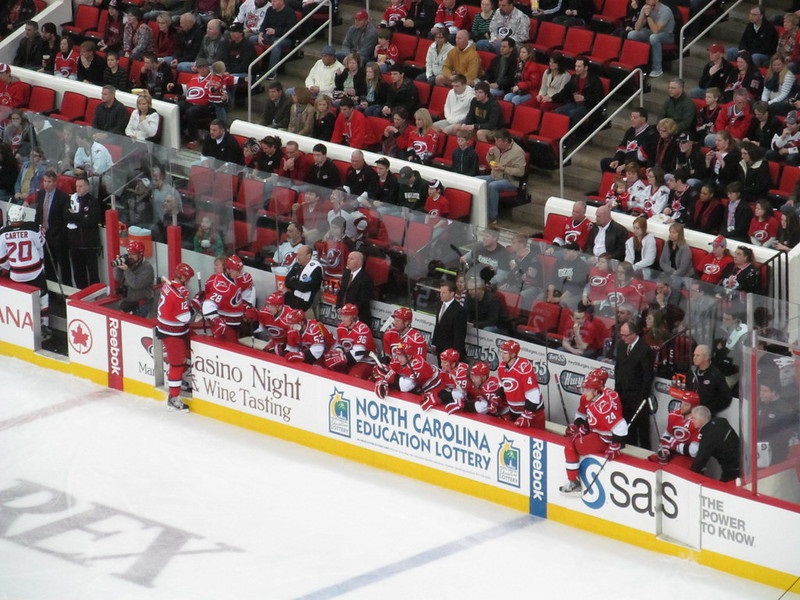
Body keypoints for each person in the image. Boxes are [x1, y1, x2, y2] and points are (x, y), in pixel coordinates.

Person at [559, 369, 628, 495]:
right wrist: (580, 425)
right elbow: (583, 414)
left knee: (570, 447)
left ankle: (574, 482)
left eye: (587, 389)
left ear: (596, 390)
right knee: (573, 439)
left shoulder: (602, 407)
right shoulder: (600, 396)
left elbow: (621, 426)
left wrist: (615, 444)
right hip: (598, 432)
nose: (584, 392)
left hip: (602, 438)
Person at [0, 205, 50, 339]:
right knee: (43, 296)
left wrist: (11, 268)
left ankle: (23, 327)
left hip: (16, 274)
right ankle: (44, 325)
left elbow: (1, 258)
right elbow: (41, 244)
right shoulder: (33, 228)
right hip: (34, 271)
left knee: (22, 299)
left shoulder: (3, 232)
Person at [156, 263, 195, 411]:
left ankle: (179, 382)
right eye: (188, 278)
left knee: (183, 358)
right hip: (173, 332)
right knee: (177, 364)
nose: (189, 281)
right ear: (183, 277)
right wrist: (193, 307)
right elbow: (185, 317)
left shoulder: (169, 286)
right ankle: (173, 398)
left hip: (167, 328)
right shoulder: (179, 293)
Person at [615, 320, 655, 449]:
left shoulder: (645, 350)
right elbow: (618, 367)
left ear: (634, 333)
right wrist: (618, 389)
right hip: (623, 393)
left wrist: (643, 394)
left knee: (642, 428)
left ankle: (645, 453)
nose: (623, 338)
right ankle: (629, 448)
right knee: (626, 425)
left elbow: (648, 374)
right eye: (622, 335)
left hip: (638, 396)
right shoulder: (621, 345)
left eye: (626, 335)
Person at [478, 129, 526, 227]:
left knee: (492, 186)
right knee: (475, 180)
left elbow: (520, 172)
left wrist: (503, 168)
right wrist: (490, 154)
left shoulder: (518, 152)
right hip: (495, 175)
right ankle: (477, 211)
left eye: (497, 141)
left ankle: (492, 217)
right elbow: (489, 161)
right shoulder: (496, 147)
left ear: (505, 141)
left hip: (510, 181)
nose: (495, 143)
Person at [202, 255, 255, 343]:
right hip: (226, 325)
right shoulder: (221, 285)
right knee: (229, 349)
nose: (239, 273)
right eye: (236, 271)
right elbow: (208, 304)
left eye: (240, 271)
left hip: (237, 322)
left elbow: (239, 297)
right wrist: (216, 320)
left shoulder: (239, 278)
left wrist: (246, 307)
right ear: (227, 269)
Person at [33, 170, 71, 286]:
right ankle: (52, 295)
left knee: (64, 267)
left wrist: (60, 236)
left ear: (55, 182)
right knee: (48, 266)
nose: (46, 184)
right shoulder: (40, 194)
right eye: (44, 181)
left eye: (49, 181)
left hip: (58, 237)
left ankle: (66, 293)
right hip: (44, 236)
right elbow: (38, 214)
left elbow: (65, 220)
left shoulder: (63, 197)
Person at [649, 383, 701, 466]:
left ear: (694, 407)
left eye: (686, 405)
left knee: (672, 469)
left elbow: (694, 451)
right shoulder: (673, 415)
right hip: (672, 451)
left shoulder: (698, 422)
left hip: (686, 457)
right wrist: (664, 449)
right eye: (682, 403)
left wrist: (674, 446)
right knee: (650, 462)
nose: (682, 406)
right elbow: (667, 435)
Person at [65, 176, 102, 289]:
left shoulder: (93, 202)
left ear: (87, 187)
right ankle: (81, 295)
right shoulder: (71, 200)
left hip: (89, 245)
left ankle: (95, 296)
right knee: (78, 273)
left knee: (93, 274)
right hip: (75, 244)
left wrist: (75, 218)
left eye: (81, 186)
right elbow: (66, 216)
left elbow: (91, 221)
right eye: (76, 186)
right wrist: (81, 217)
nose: (78, 189)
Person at [497, 339, 544, 428]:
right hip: (514, 411)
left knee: (537, 438)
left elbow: (533, 394)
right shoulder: (501, 367)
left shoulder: (524, 367)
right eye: (501, 352)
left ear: (513, 354)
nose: (502, 355)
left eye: (505, 353)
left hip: (533, 412)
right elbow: (503, 386)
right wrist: (496, 398)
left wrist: (527, 414)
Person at [689, 406, 741, 482]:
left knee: (723, 490)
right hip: (745, 459)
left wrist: (690, 475)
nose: (692, 420)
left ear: (702, 418)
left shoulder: (708, 435)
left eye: (694, 418)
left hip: (733, 468)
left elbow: (700, 460)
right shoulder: (721, 421)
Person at [323, 303, 376, 379]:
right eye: (342, 316)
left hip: (365, 361)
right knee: (330, 370)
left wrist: (341, 357)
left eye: (346, 316)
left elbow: (358, 354)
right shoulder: (341, 327)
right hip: (349, 360)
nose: (343, 319)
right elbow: (339, 344)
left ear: (353, 317)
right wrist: (337, 352)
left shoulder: (363, 329)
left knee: (354, 377)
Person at [553, 57, 605, 130]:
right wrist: (551, 98)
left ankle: (570, 138)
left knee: (573, 114)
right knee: (558, 111)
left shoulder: (594, 81)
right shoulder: (574, 78)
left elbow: (599, 99)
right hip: (574, 104)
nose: (576, 68)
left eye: (579, 66)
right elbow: (565, 92)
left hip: (587, 107)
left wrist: (585, 98)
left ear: (586, 68)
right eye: (575, 66)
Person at [600, 107, 658, 173]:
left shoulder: (650, 133)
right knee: (605, 162)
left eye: (635, 118)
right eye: (631, 117)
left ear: (643, 119)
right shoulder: (630, 130)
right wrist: (617, 160)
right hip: (627, 161)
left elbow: (643, 156)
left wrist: (626, 165)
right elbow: (622, 147)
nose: (632, 119)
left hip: (639, 164)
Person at [757, 380, 798, 466]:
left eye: (765, 391)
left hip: (776, 452)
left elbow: (785, 434)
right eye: (760, 390)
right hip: (760, 447)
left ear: (774, 392)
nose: (761, 394)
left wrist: (766, 444)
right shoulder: (762, 404)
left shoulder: (783, 409)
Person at [112, 240, 155, 318]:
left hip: (141, 305)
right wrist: (119, 266)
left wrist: (126, 270)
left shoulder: (147, 268)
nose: (130, 256)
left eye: (133, 254)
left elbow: (136, 284)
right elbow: (117, 278)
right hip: (127, 302)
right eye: (129, 254)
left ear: (141, 254)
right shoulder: (130, 263)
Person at [257, 0, 297, 79]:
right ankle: (255, 69)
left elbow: (291, 31)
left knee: (276, 44)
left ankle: (272, 73)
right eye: (271, 1)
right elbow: (264, 24)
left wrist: (275, 31)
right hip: (269, 36)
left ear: (282, 1)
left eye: (275, 1)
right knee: (251, 39)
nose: (272, 3)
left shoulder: (290, 12)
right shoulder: (269, 10)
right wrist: (260, 35)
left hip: (286, 38)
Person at [689, 344, 732, 415]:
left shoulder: (716, 375)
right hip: (691, 413)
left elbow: (726, 397)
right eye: (694, 355)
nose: (694, 358)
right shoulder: (692, 372)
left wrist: (709, 410)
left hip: (706, 416)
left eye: (698, 355)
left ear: (706, 357)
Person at [431, 279, 467, 357]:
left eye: (444, 293)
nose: (441, 294)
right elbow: (437, 325)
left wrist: (454, 352)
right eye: (440, 292)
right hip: (439, 348)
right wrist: (434, 343)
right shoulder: (440, 304)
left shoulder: (459, 310)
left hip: (450, 351)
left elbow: (459, 335)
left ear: (452, 294)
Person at [336, 251, 373, 325]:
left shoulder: (366, 279)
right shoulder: (346, 274)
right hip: (345, 316)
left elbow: (363, 300)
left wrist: (349, 311)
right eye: (348, 258)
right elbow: (341, 292)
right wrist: (339, 307)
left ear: (359, 262)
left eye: (351, 259)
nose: (348, 260)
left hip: (358, 318)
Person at [283, 244, 323, 312]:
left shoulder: (316, 269)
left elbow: (305, 287)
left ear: (309, 256)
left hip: (305, 304)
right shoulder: (296, 265)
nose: (298, 257)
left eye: (301, 255)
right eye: (297, 254)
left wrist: (294, 282)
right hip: (292, 299)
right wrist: (299, 284)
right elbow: (287, 282)